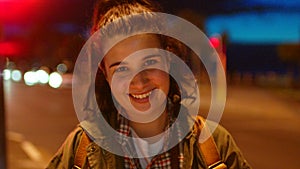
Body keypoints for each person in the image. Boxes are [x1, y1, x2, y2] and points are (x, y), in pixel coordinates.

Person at [47, 0, 251, 168]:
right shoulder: (80, 149)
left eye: (149, 62)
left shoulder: (214, 145)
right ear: (105, 75)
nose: (139, 82)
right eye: (122, 69)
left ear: (169, 59)